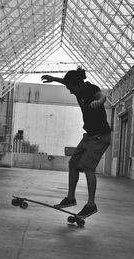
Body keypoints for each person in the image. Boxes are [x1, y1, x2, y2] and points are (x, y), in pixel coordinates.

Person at [41, 67, 111, 218]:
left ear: (79, 84)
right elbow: (68, 82)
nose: (71, 92)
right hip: (89, 136)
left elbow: (102, 95)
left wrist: (99, 101)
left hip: (100, 136)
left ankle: (91, 205)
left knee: (88, 167)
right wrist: (54, 78)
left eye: (71, 88)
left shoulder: (91, 89)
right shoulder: (78, 89)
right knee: (73, 163)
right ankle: (70, 198)